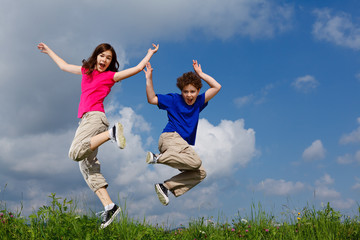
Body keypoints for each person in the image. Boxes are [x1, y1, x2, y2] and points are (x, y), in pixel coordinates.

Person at [37, 42, 159, 228]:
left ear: (111, 63)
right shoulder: (86, 71)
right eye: (102, 56)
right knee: (87, 166)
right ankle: (109, 206)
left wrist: (149, 54)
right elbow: (63, 65)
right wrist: (48, 51)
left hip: (95, 119)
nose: (105, 60)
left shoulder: (111, 76)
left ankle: (111, 134)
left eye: (109, 58)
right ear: (96, 56)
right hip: (88, 120)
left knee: (75, 153)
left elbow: (137, 68)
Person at [143, 60, 221, 206]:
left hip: (179, 146)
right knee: (196, 161)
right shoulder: (174, 100)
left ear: (198, 91)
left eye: (192, 92)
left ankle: (165, 186)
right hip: (170, 137)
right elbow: (152, 99)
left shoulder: (199, 102)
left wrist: (201, 74)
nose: (189, 95)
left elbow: (217, 86)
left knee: (200, 173)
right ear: (181, 91)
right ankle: (157, 158)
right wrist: (149, 79)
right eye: (186, 92)